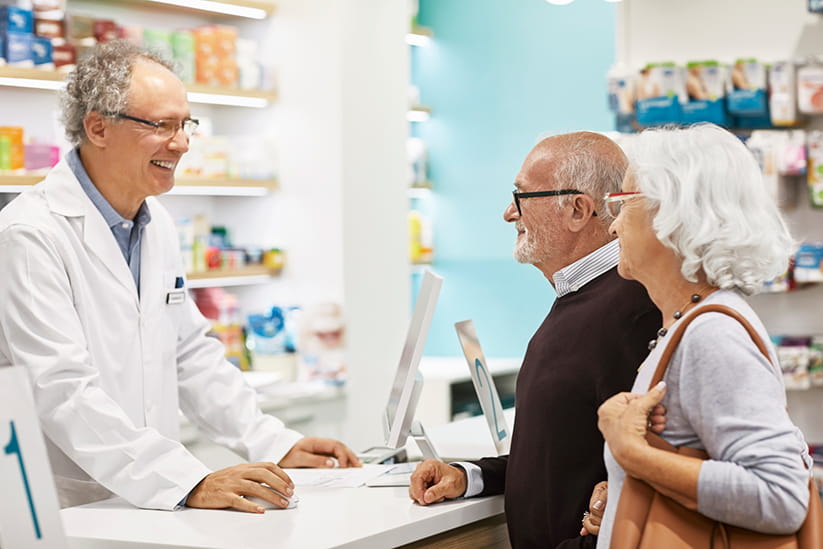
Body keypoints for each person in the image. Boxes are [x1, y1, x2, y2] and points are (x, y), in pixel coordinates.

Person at [0, 40, 360, 514]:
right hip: (70, 507)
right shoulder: (30, 234)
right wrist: (185, 480)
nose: (183, 142)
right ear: (97, 127)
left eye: (186, 124)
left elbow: (189, 354)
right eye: (162, 125)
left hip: (150, 506)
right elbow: (62, 390)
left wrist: (273, 442)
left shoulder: (156, 224)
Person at [408, 132, 662, 548]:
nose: (509, 213)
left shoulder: (632, 309)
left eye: (521, 197)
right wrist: (470, 475)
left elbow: (636, 479)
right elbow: (558, 455)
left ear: (578, 209)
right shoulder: (582, 299)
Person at [595, 123, 812, 548]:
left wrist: (633, 456)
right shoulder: (689, 323)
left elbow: (781, 496)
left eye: (622, 203)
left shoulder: (712, 333)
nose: (613, 226)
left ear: (672, 211)